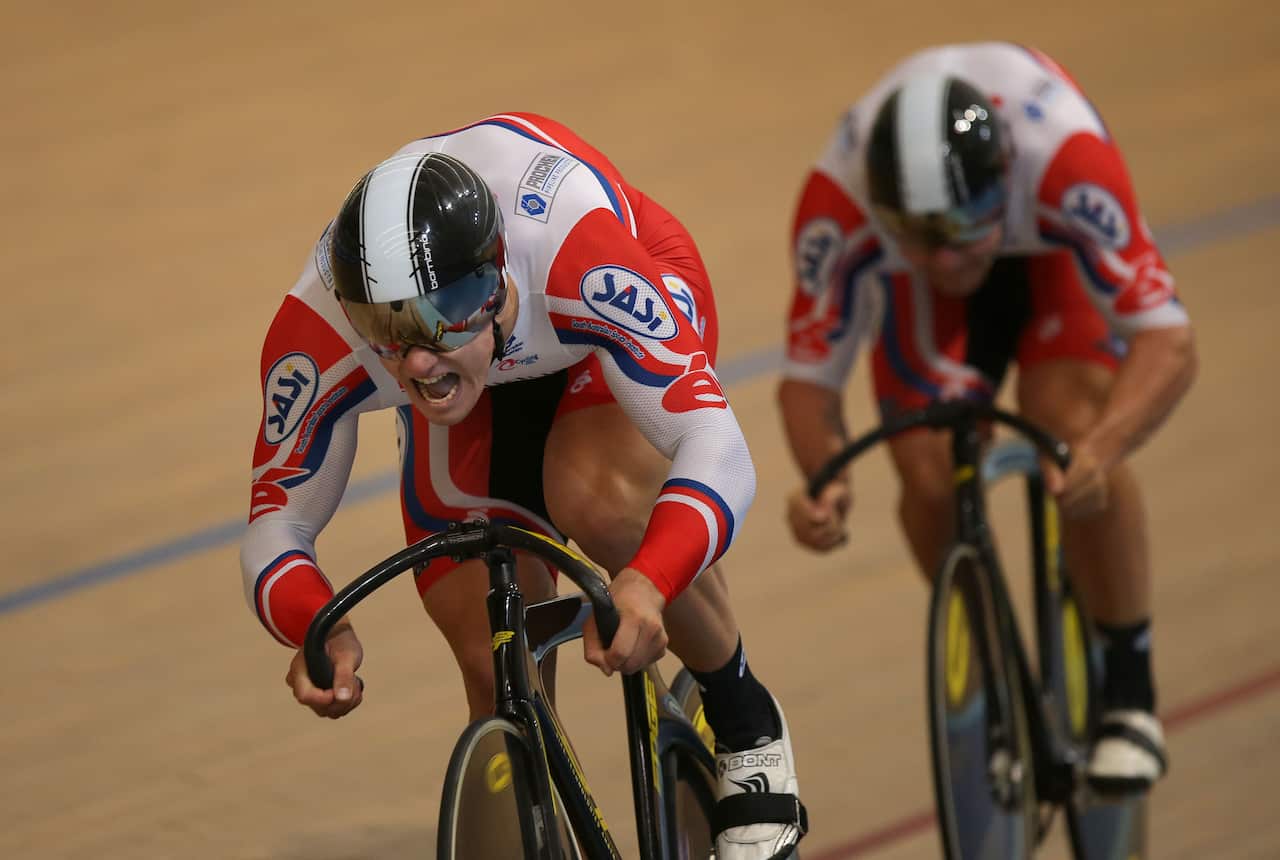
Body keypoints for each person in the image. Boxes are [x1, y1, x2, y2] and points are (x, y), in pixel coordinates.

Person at [241, 112, 806, 857]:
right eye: (387, 328)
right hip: (490, 377)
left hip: (611, 310)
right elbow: (274, 523)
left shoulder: (574, 255)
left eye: (440, 318)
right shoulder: (318, 329)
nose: (415, 361)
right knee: (490, 653)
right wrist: (318, 623)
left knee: (596, 499)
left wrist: (648, 579)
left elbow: (719, 449)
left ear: (494, 280)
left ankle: (745, 722)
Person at [778, 43, 1196, 795]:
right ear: (882, 207)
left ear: (1004, 181)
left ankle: (1130, 691)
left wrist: (1102, 449)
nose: (948, 258)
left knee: (1069, 423)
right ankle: (995, 672)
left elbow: (1169, 342)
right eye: (922, 235)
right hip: (938, 282)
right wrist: (823, 478)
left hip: (1048, 254)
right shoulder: (837, 205)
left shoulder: (1066, 162)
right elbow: (808, 384)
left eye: (966, 226)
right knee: (928, 472)